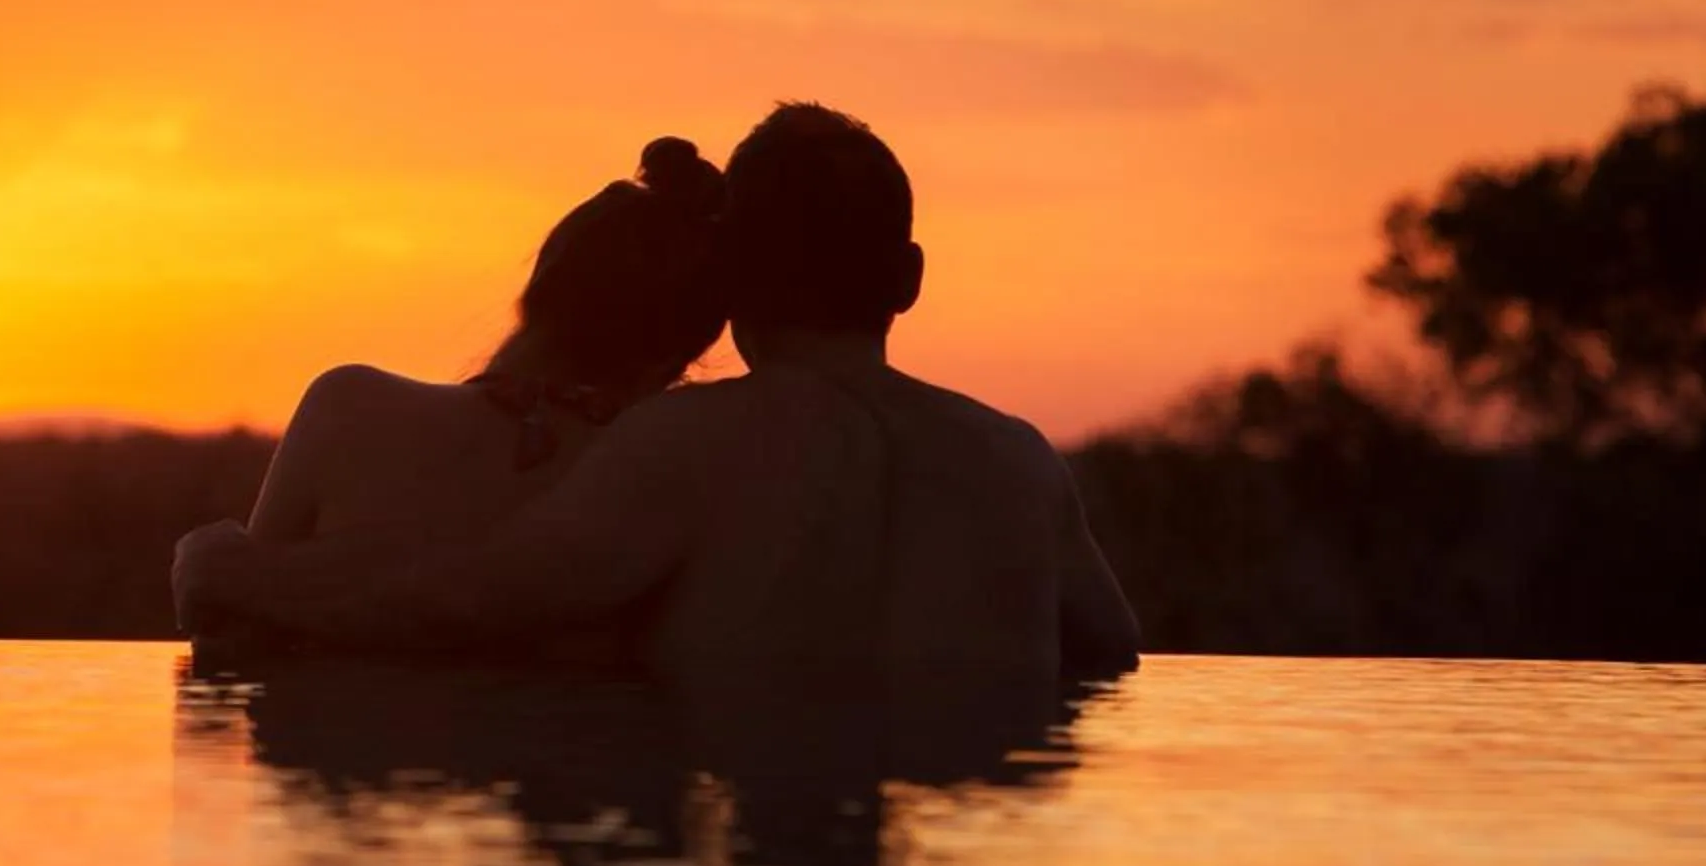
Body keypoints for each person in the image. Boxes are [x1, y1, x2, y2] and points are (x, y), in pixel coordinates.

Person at [176, 103, 1141, 718]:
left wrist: (233, 572)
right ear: (910, 278)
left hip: (772, 813)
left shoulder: (689, 443)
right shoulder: (1018, 460)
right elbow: (1110, 649)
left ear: (734, 275)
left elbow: (471, 605)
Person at [243, 136, 728, 567]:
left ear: (538, 289)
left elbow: (229, 630)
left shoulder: (347, 407)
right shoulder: (665, 490)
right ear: (673, 361)